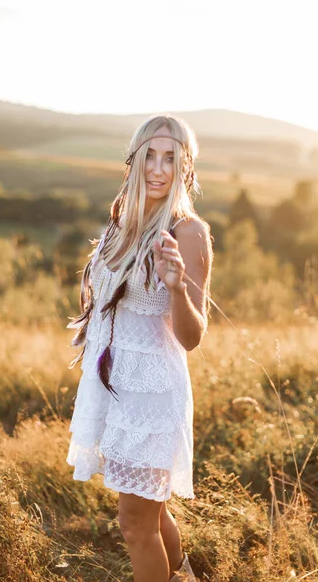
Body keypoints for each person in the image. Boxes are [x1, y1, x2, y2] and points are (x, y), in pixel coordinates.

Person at [66, 114, 213, 582]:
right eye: (149, 155)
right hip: (114, 385)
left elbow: (192, 337)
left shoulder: (188, 232)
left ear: (185, 167)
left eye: (170, 157)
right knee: (151, 511)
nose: (158, 168)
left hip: (151, 394)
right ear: (133, 161)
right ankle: (184, 577)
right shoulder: (121, 222)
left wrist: (176, 288)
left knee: (134, 525)